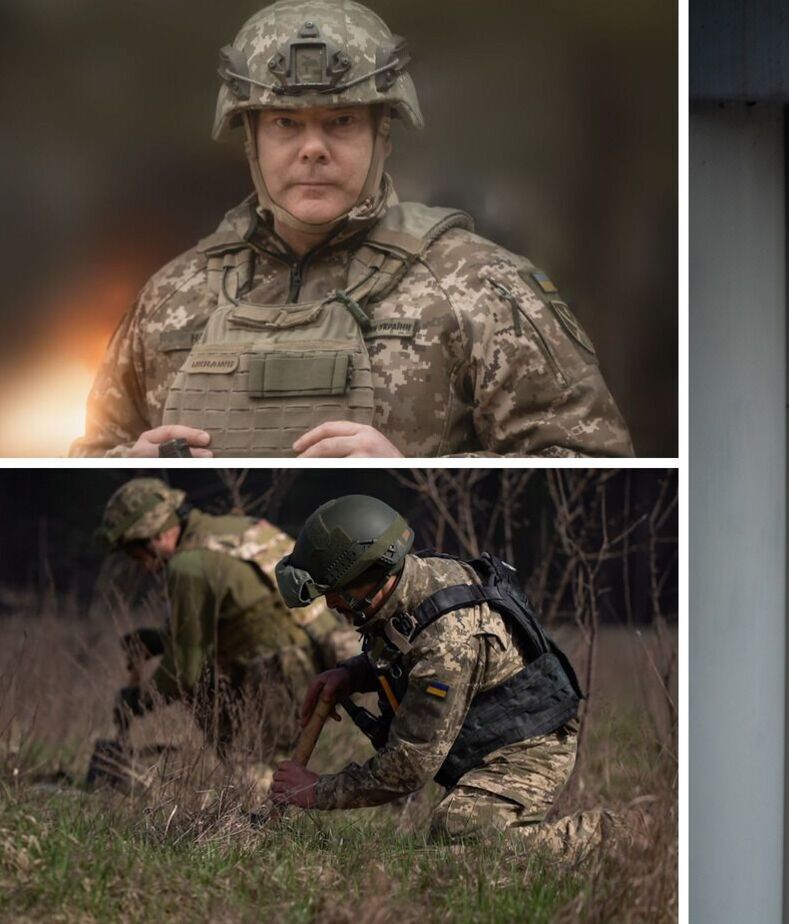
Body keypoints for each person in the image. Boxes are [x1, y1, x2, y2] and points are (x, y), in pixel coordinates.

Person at [72, 0, 631, 458]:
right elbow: (89, 457)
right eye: (286, 124)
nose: (313, 149)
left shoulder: (480, 288)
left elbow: (594, 466)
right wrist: (126, 467)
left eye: (340, 122)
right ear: (251, 139)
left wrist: (412, 475)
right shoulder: (170, 296)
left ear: (382, 134)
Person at [267, 495, 603, 853]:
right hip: (487, 736)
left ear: (372, 575)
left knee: (463, 831)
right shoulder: (409, 581)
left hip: (530, 745)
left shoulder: (448, 641)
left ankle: (614, 836)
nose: (331, 604)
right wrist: (351, 674)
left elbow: (409, 764)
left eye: (335, 592)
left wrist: (316, 791)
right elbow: (403, 649)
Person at [95, 478, 344, 763]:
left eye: (133, 552)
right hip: (322, 662)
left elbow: (185, 672)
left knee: (256, 776)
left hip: (281, 675)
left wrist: (138, 701)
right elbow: (240, 619)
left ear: (153, 536)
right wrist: (161, 641)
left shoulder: (188, 565)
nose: (139, 563)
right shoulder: (239, 529)